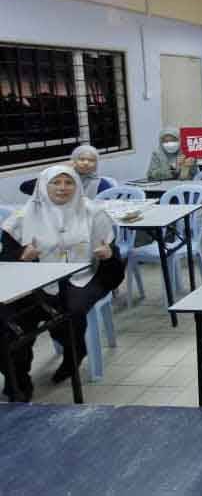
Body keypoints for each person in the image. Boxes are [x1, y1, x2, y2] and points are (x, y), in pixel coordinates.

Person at [1, 166, 123, 400]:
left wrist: (108, 256)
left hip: (84, 277)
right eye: (56, 183)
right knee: (9, 319)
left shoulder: (93, 213)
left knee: (70, 310)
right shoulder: (22, 217)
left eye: (69, 183)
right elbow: (6, 261)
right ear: (43, 187)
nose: (62, 188)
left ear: (77, 186)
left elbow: (114, 266)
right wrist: (21, 257)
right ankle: (17, 378)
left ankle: (73, 354)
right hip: (32, 282)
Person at [19, 144, 115, 198]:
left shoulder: (101, 184)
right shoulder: (60, 179)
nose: (86, 163)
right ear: (73, 161)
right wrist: (57, 169)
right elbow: (25, 187)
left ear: (96, 164)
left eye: (91, 160)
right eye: (81, 159)